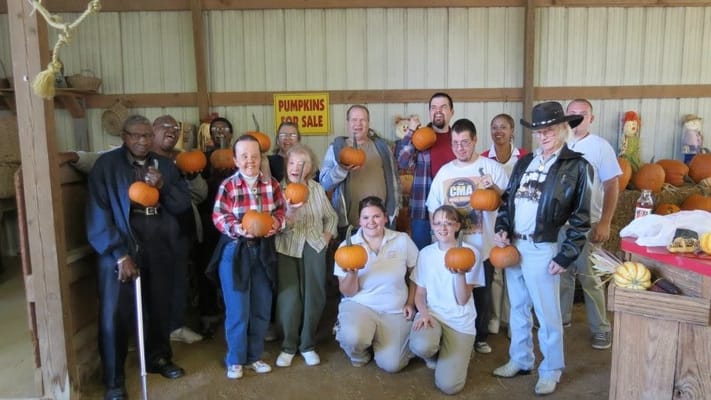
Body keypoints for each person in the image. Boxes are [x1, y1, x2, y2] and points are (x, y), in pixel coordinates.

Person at [86, 115, 191, 400]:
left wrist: (164, 187)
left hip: (158, 242)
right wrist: (118, 255)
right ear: (124, 135)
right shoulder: (107, 167)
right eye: (136, 135)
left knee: (160, 304)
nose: (142, 141)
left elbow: (183, 205)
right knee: (115, 315)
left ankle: (158, 358)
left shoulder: (166, 166)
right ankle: (114, 380)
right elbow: (98, 215)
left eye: (147, 136)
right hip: (121, 245)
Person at [492, 101, 592, 396]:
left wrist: (566, 254)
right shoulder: (525, 162)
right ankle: (521, 359)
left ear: (564, 129)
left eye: (549, 130)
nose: (544, 136)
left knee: (547, 314)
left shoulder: (576, 166)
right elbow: (508, 201)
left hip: (543, 246)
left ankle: (551, 369)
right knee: (519, 308)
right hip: (515, 246)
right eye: (539, 131)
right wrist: (502, 228)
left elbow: (582, 218)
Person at [425, 118, 508, 355]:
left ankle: (479, 336)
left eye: (464, 142)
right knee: (455, 291)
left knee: (481, 293)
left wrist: (491, 188)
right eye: (455, 143)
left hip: (483, 245)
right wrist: (436, 236)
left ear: (474, 141)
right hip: (453, 248)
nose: (460, 147)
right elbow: (434, 206)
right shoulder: (445, 172)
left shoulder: (490, 168)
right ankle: (455, 334)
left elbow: (505, 201)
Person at [209, 134, 285, 379]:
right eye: (244, 156)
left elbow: (281, 210)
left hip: (263, 250)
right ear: (235, 159)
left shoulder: (271, 184)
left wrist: (277, 223)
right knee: (238, 309)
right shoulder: (228, 185)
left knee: (261, 307)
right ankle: (235, 359)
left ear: (260, 157)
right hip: (236, 251)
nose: (250, 161)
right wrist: (236, 228)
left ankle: (254, 356)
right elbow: (219, 215)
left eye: (254, 156)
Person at [560, 99, 620, 349]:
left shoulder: (600, 147)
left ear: (591, 118)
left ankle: (601, 327)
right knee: (561, 273)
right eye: (571, 114)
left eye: (581, 114)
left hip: (587, 221)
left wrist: (605, 222)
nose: (576, 118)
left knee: (590, 276)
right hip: (560, 223)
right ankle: (561, 319)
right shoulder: (558, 143)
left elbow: (611, 185)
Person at [334, 196, 418, 372]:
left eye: (376, 216)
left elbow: (416, 276)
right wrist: (353, 272)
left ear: (385, 218)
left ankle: (380, 340)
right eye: (365, 217)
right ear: (359, 221)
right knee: (354, 337)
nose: (371, 222)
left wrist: (411, 302)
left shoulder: (402, 240)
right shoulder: (347, 247)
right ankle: (359, 352)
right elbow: (347, 292)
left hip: (394, 310)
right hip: (360, 305)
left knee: (393, 364)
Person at [274, 144, 338, 367]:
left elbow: (331, 217)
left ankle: (308, 344)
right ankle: (289, 346)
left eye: (303, 163)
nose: (297, 168)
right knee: (289, 297)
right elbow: (273, 226)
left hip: (314, 244)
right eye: (292, 162)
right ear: (286, 165)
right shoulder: (277, 190)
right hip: (286, 246)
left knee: (314, 295)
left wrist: (326, 238)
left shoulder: (317, 189)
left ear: (311, 168)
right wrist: (288, 216)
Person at [409, 205, 483, 394]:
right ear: (432, 227)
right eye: (438, 223)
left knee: (449, 386)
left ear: (457, 226)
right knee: (422, 345)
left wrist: (459, 275)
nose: (443, 228)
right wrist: (423, 313)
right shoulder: (426, 253)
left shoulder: (471, 253)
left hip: (460, 322)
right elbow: (419, 294)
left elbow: (462, 299)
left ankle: (461, 349)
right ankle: (434, 354)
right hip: (433, 316)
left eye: (449, 223)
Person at [151, 115, 206, 345]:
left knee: (179, 282)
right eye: (165, 127)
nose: (171, 131)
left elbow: (200, 195)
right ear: (151, 130)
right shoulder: (142, 159)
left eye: (175, 128)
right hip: (156, 236)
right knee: (159, 284)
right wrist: (75, 157)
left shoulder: (180, 161)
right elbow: (98, 160)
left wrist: (193, 177)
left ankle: (176, 326)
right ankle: (158, 331)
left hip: (182, 232)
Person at [481, 114, 530, 335]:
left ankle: (513, 320)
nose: (498, 131)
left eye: (503, 127)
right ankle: (494, 317)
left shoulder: (525, 158)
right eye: (494, 127)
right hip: (493, 221)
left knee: (516, 269)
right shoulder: (483, 159)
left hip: (520, 220)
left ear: (512, 131)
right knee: (497, 272)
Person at [320, 105, 400, 238]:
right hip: (350, 225)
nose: (358, 124)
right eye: (354, 120)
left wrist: (394, 211)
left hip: (381, 222)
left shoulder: (382, 147)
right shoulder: (336, 148)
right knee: (352, 259)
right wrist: (341, 169)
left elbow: (394, 180)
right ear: (348, 123)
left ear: (369, 123)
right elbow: (324, 184)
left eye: (363, 120)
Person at [397, 92, 456, 249]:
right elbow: (402, 162)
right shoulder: (421, 137)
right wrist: (410, 132)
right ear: (429, 112)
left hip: (453, 209)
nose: (438, 111)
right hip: (422, 208)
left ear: (452, 112)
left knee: (452, 255)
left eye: (443, 107)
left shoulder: (458, 139)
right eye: (434, 107)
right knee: (423, 255)